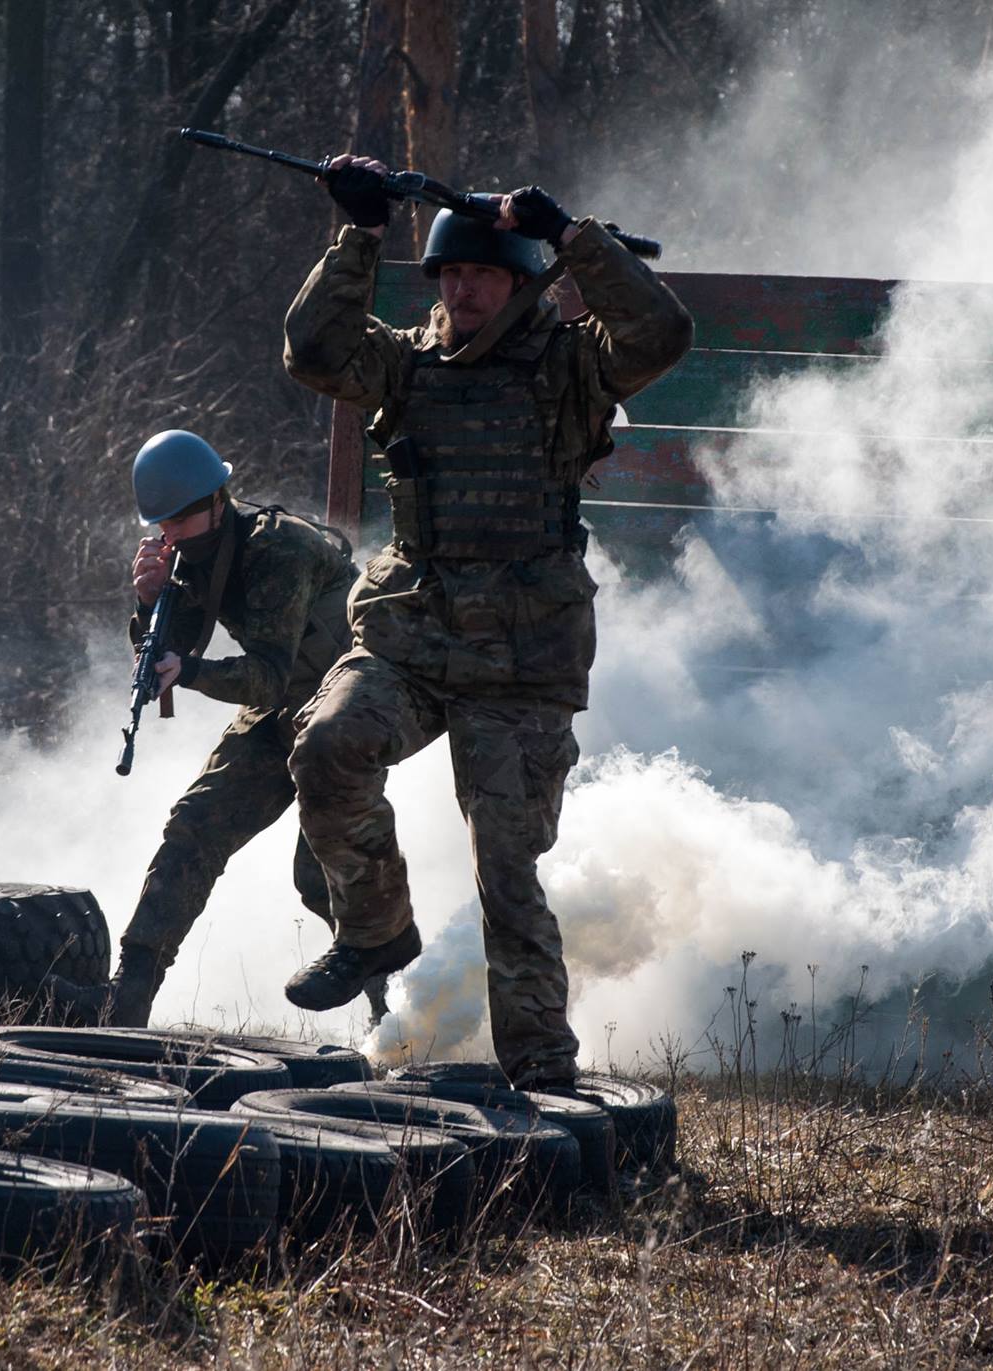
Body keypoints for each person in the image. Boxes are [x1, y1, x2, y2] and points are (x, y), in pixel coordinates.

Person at [277, 156, 694, 1089]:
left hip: (521, 658)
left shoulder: (570, 368)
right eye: (450, 276)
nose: (462, 291)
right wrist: (358, 235)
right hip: (412, 636)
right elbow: (312, 351)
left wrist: (572, 237)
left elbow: (662, 330)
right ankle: (376, 930)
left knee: (507, 873)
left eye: (482, 275)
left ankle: (542, 1068)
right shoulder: (407, 364)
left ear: (518, 282)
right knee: (328, 745)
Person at [51, 429, 361, 1027]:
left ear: (219, 500)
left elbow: (265, 674)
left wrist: (188, 671)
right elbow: (166, 649)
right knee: (194, 827)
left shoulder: (279, 552)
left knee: (322, 875)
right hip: (283, 707)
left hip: (347, 709)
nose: (173, 532)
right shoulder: (193, 557)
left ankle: (396, 1014)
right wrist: (148, 601)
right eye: (165, 522)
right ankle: (129, 994)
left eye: (185, 517)